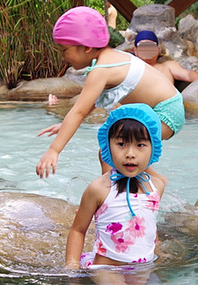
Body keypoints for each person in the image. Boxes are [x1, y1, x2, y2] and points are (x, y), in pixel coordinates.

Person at [37, 7, 183, 177]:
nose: (62, 56)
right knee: (115, 153)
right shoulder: (110, 58)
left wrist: (54, 150)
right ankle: (152, 182)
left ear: (86, 47)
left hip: (165, 112)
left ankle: (110, 194)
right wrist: (65, 126)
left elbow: (78, 111)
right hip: (167, 107)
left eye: (64, 50)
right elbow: (91, 102)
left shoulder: (102, 69)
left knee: (113, 154)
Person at [66, 104, 167, 270]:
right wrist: (71, 264)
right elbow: (78, 230)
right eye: (121, 144)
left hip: (143, 266)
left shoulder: (156, 186)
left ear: (153, 147)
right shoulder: (98, 189)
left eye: (140, 145)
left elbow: (149, 222)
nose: (130, 153)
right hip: (106, 268)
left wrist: (159, 252)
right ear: (108, 145)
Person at [132, 30, 198, 86]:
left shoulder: (168, 66)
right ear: (136, 50)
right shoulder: (130, 69)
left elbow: (188, 75)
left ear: (158, 49)